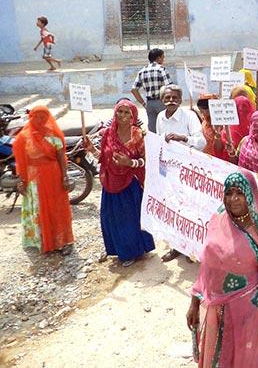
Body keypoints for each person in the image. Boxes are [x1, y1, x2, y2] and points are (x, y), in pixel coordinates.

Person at [186, 172, 258, 367]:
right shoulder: (218, 219)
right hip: (215, 308)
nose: (233, 199)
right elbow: (207, 266)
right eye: (229, 193)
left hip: (248, 313)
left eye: (239, 193)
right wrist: (194, 303)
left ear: (250, 195)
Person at [84, 100, 155, 266]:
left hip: (130, 184)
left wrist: (129, 163)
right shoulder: (108, 133)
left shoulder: (138, 135)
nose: (123, 115)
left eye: (126, 112)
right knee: (111, 219)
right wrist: (90, 149)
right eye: (120, 112)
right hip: (110, 182)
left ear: (133, 115)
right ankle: (119, 250)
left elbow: (146, 160)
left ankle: (134, 252)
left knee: (129, 219)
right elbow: (102, 157)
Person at [13, 106, 74, 254]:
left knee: (57, 208)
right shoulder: (23, 137)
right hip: (33, 179)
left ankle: (62, 241)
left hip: (53, 177)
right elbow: (21, 162)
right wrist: (21, 181)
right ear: (31, 118)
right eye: (37, 117)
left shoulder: (54, 136)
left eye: (43, 117)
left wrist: (65, 177)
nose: (40, 120)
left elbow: (61, 159)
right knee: (37, 208)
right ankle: (40, 240)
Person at [156, 84, 206, 262]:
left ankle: (192, 248)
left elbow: (202, 142)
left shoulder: (189, 116)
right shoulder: (161, 117)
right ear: (162, 100)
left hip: (189, 171)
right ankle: (176, 246)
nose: (171, 101)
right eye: (167, 98)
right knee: (174, 209)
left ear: (180, 99)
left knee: (191, 211)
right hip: (170, 171)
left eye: (174, 98)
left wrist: (182, 138)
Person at [131, 48, 172, 133]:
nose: (163, 59)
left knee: (153, 129)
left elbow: (134, 89)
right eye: (163, 57)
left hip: (149, 103)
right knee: (166, 127)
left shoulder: (142, 71)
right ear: (158, 58)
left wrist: (143, 103)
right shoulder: (161, 69)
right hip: (161, 102)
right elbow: (169, 87)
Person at [196, 95, 231, 161]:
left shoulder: (219, 124)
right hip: (205, 156)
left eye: (202, 111)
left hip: (215, 158)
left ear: (209, 109)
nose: (201, 113)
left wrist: (217, 133)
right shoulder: (206, 120)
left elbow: (219, 147)